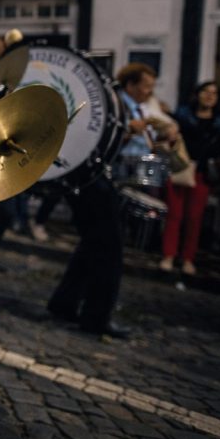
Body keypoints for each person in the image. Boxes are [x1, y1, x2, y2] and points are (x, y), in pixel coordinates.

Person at [47, 63, 173, 339]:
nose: (148, 92)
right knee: (110, 249)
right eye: (144, 86)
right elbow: (94, 137)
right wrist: (129, 131)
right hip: (94, 179)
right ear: (130, 85)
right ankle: (96, 316)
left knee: (93, 245)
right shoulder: (115, 104)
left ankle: (64, 302)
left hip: (115, 179)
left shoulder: (140, 109)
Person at [160, 81, 220, 275]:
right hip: (180, 168)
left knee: (194, 218)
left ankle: (188, 258)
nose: (209, 96)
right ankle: (169, 255)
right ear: (197, 94)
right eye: (206, 91)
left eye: (214, 93)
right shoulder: (183, 116)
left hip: (201, 173)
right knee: (174, 215)